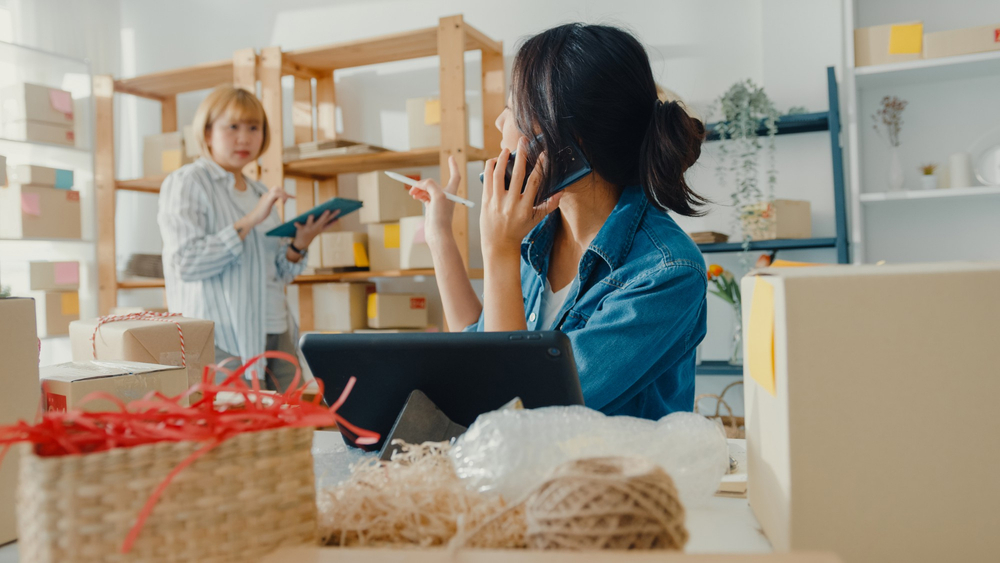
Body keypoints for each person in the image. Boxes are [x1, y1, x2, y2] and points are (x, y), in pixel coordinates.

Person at [408, 24, 708, 419]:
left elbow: (519, 412)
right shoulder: (537, 235)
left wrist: (498, 250)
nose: (501, 122)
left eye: (515, 109)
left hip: (610, 481)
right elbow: (480, 344)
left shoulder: (666, 274)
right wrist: (440, 236)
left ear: (571, 142)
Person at [158, 86, 336, 391]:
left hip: (275, 329)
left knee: (288, 428)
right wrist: (251, 219)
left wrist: (299, 245)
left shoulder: (257, 192)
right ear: (208, 131)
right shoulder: (188, 182)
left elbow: (279, 272)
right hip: (222, 336)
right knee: (237, 430)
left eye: (254, 128)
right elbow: (185, 263)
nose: (244, 138)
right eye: (233, 127)